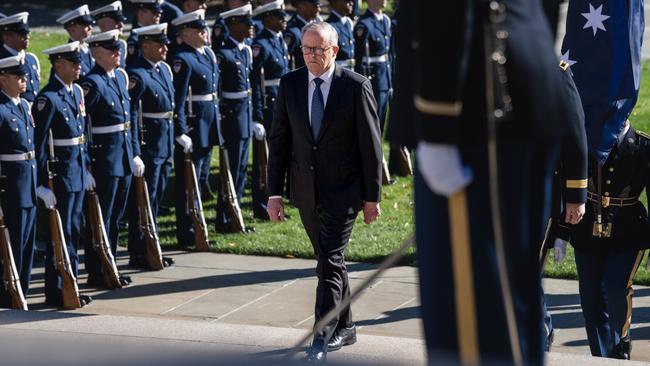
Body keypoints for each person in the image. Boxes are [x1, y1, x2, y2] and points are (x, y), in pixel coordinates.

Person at [406, 1, 576, 364]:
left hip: (472, 111)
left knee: (471, 319)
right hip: (522, 82)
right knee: (515, 298)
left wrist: (438, 122)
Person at [267, 21, 382, 362]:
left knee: (329, 264)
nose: (311, 55)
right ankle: (346, 326)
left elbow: (371, 146)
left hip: (343, 193)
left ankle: (322, 337)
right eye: (306, 48)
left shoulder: (355, 86)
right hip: (305, 191)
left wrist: (371, 197)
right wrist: (274, 193)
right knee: (330, 262)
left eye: (318, 49)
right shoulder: (289, 84)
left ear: (335, 50)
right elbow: (279, 140)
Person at [555, 119, 648, 360]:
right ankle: (603, 357)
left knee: (615, 287)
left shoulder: (642, 146)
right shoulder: (584, 144)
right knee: (590, 298)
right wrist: (561, 233)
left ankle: (621, 337)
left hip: (628, 231)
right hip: (587, 230)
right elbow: (567, 187)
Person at [33, 42, 93, 308]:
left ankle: (72, 284)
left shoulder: (74, 92)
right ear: (58, 65)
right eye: (73, 62)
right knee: (61, 233)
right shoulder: (49, 98)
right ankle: (57, 290)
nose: (79, 66)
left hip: (76, 171)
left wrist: (87, 166)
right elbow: (38, 144)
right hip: (61, 176)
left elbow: (82, 136)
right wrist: (41, 183)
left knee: (74, 231)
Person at [81, 29, 141, 288]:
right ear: (96, 53)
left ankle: (111, 263)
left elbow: (130, 120)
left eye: (117, 49)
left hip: (123, 156)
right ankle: (97, 270)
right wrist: (86, 164)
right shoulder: (91, 83)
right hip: (104, 159)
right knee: (100, 218)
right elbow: (81, 126)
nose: (118, 53)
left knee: (115, 217)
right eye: (111, 50)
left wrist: (135, 151)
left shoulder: (119, 77)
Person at [126, 23, 175, 269]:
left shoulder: (163, 70)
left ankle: (151, 246)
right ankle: (139, 250)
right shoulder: (137, 75)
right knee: (144, 200)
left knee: (156, 199)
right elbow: (132, 115)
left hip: (164, 142)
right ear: (145, 46)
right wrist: (135, 150)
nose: (166, 48)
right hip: (149, 146)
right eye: (160, 44)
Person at [170, 9, 221, 247]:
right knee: (187, 182)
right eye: (199, 30)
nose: (205, 33)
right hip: (193, 127)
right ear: (186, 33)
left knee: (200, 178)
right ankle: (187, 229)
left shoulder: (207, 54)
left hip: (208, 124)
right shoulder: (183, 59)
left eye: (205, 29)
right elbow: (178, 100)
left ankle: (198, 225)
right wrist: (180, 130)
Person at [0, 55, 37, 308]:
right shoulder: (1, 110)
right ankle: (7, 296)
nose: (25, 80)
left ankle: (20, 293)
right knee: (9, 248)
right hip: (10, 188)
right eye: (18, 77)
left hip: (29, 185)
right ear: (3, 79)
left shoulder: (23, 105)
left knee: (26, 246)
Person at [215, 4, 256, 230]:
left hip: (244, 116)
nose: (251, 27)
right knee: (230, 171)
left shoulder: (244, 50)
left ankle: (235, 215)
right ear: (233, 25)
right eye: (246, 23)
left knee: (240, 170)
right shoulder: (224, 54)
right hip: (232, 118)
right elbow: (219, 91)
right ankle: (224, 218)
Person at [250, 0, 290, 219]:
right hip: (268, 108)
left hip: (281, 105)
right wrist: (256, 115)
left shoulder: (278, 40)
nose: (283, 18)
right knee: (264, 160)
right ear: (267, 18)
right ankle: (261, 204)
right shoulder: (261, 45)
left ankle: (276, 202)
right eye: (278, 15)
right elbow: (255, 82)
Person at [354, 0, 391, 132]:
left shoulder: (386, 20)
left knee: (382, 118)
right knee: (373, 120)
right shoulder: (364, 24)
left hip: (385, 76)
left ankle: (378, 149)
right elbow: (359, 56)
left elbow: (389, 52)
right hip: (373, 78)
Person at [0, 13, 40, 105]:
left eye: (27, 32)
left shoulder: (31, 59)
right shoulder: (2, 62)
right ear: (6, 37)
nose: (27, 36)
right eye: (22, 34)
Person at [56, 5, 95, 80]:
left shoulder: (91, 48)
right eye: (86, 25)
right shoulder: (67, 55)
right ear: (72, 30)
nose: (91, 28)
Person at [90, 1, 129, 68]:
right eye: (117, 21)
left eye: (121, 21)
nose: (122, 25)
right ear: (103, 25)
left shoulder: (122, 44)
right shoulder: (93, 47)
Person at [284, 0, 320, 70]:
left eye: (318, 6)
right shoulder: (292, 30)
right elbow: (288, 61)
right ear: (301, 6)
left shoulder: (317, 25)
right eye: (315, 5)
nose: (318, 9)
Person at [127, 0, 163, 67]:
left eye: (159, 13)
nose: (159, 15)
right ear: (141, 14)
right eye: (154, 13)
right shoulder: (134, 40)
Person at [326, 0, 355, 70]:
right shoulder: (329, 26)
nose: (351, 3)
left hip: (351, 69)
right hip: (338, 71)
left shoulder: (348, 22)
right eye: (347, 1)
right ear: (336, 2)